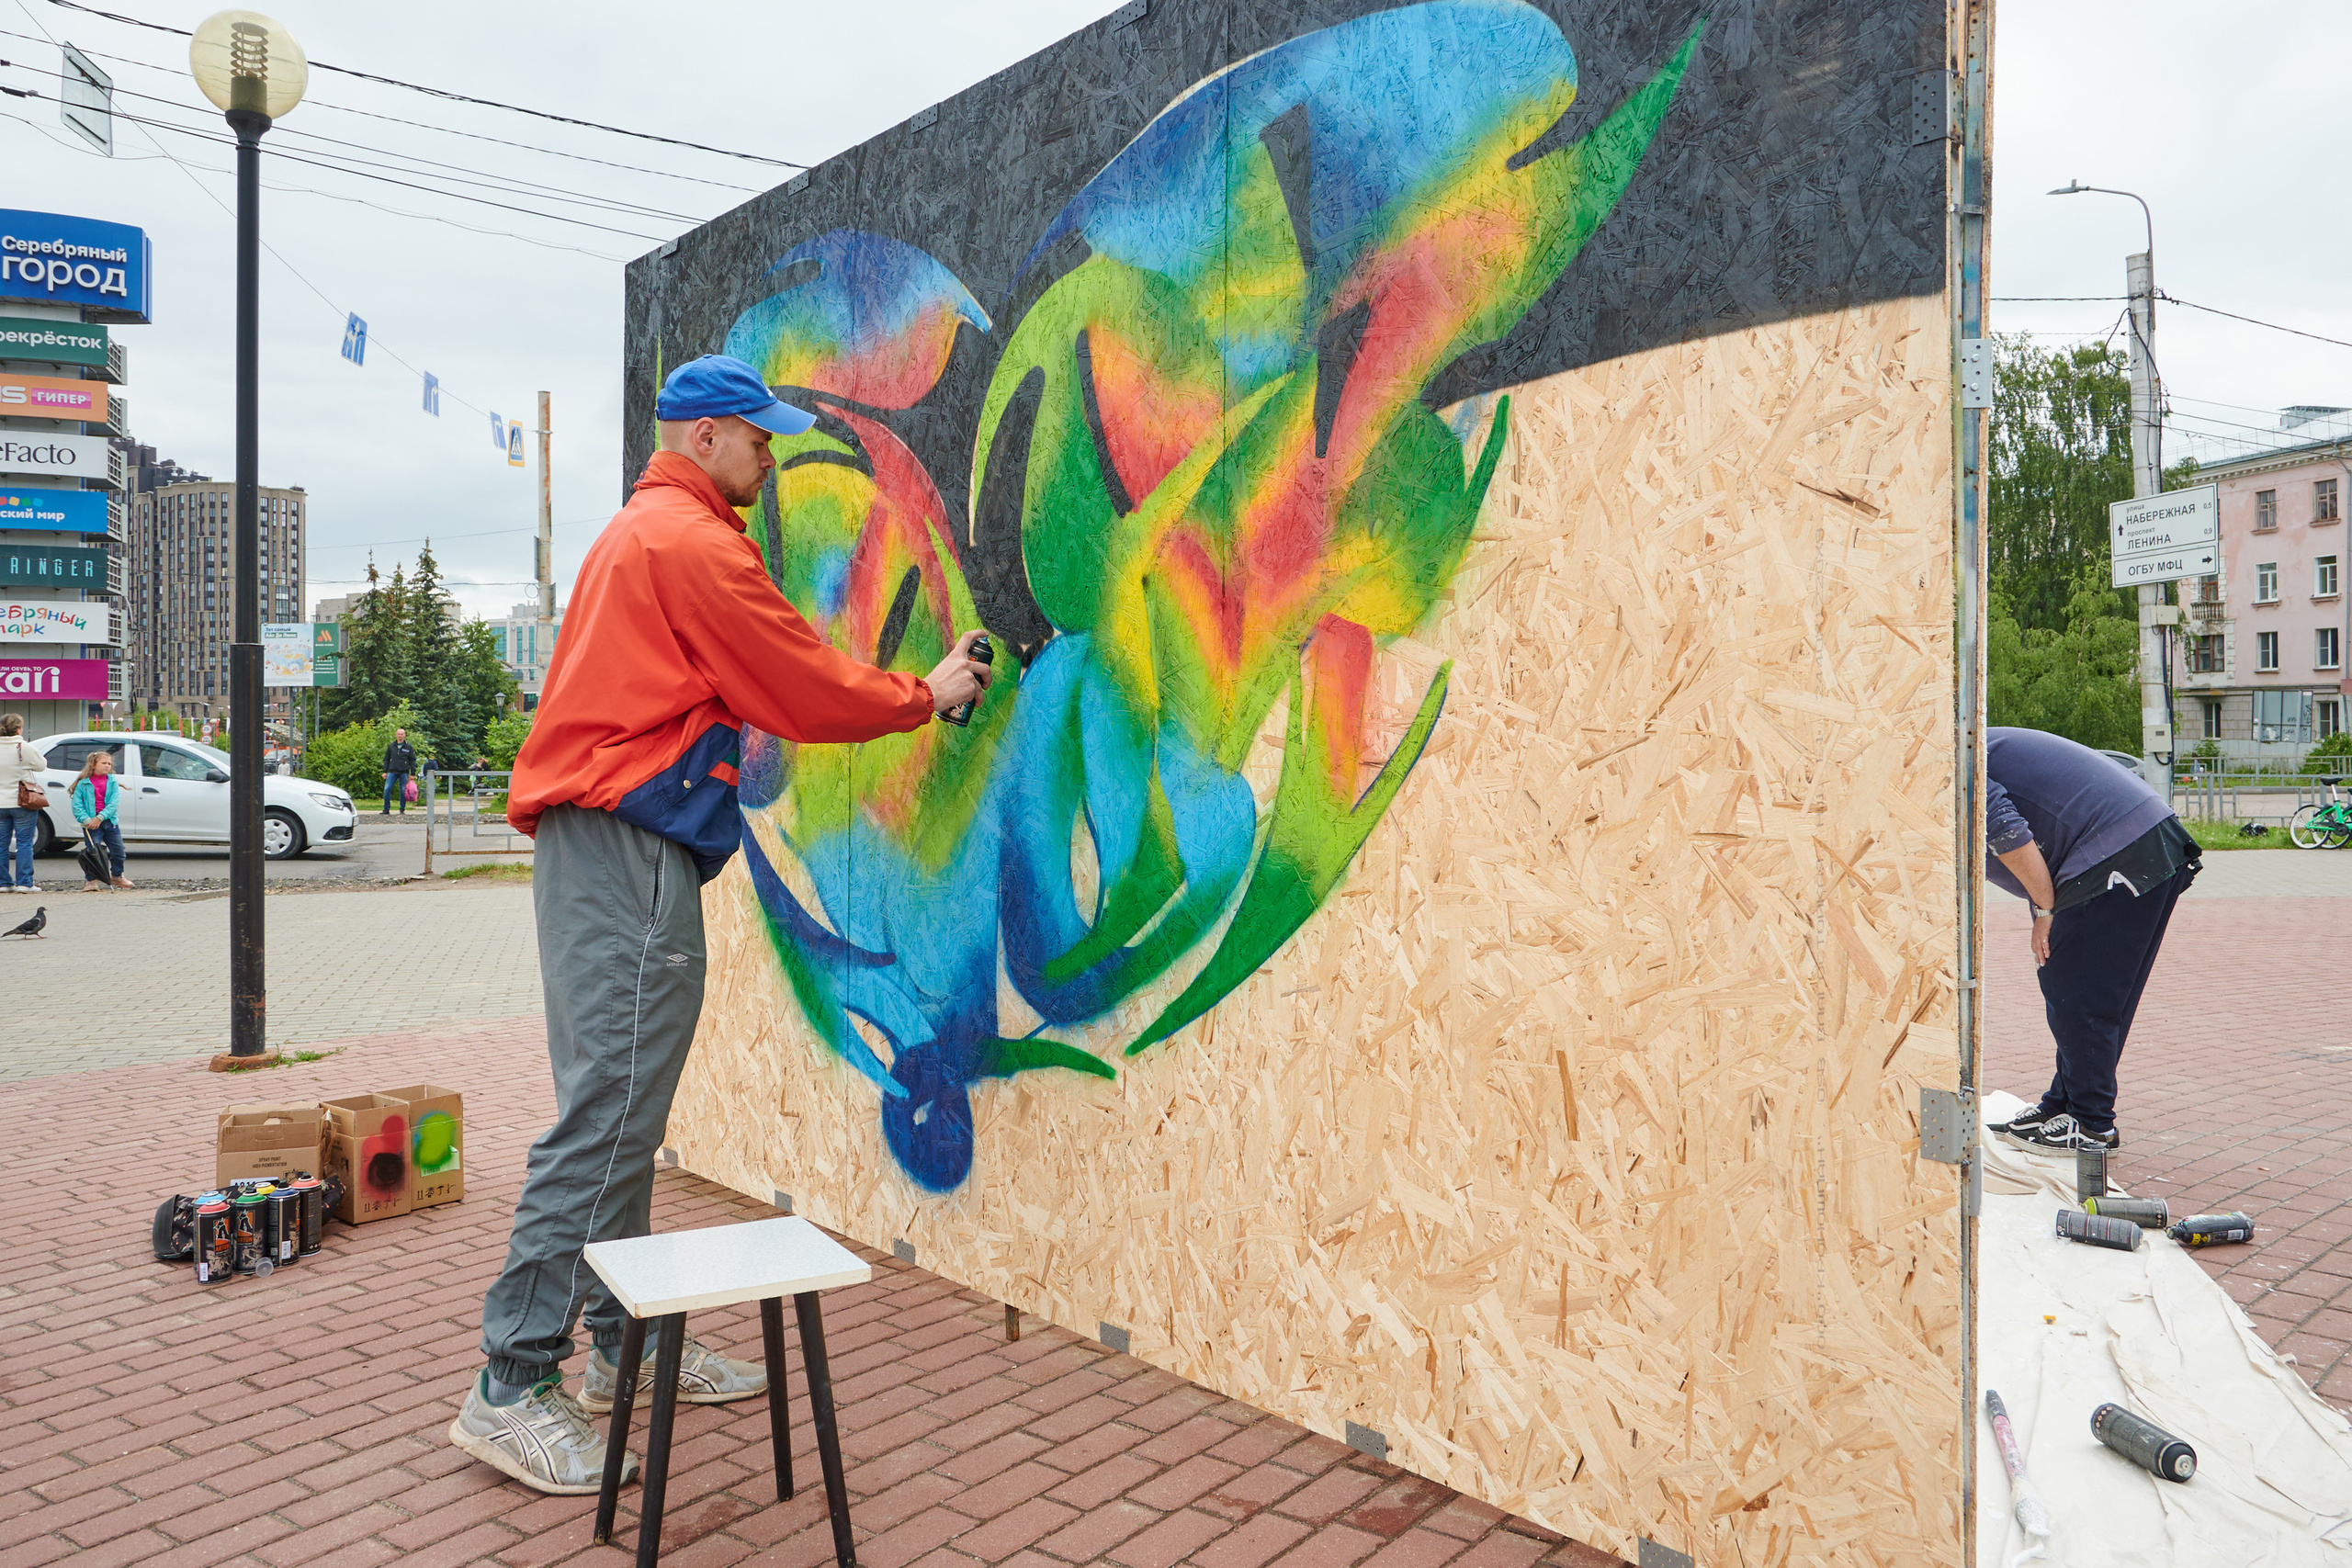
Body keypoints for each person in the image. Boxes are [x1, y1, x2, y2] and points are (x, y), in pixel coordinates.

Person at [449, 354, 992, 1495]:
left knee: (619, 1113)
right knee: (605, 1121)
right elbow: (794, 682)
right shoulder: (689, 544)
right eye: (758, 437)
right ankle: (511, 1382)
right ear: (702, 437)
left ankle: (620, 1349)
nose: (771, 454)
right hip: (624, 852)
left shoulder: (643, 533)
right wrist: (924, 696)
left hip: (603, 849)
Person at [1981, 728, 2199, 1158]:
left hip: (2117, 848)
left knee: (2078, 995)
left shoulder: (1941, 757)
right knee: (2082, 990)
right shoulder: (1965, 743)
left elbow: (2005, 829)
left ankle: (2091, 1125)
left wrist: (2045, 911)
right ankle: (2062, 1108)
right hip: (2136, 840)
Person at [70, 749, 132, 892]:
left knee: (119, 851)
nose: (107, 766)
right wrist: (86, 820)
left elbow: (113, 803)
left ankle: (117, 875)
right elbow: (77, 805)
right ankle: (91, 880)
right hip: (90, 824)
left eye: (109, 764)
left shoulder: (112, 782)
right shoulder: (83, 783)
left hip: (109, 821)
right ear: (93, 764)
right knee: (93, 852)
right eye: (104, 763)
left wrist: (100, 817)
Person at [0, 715, 47, 893]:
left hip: (0, 804)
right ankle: (25, 883)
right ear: (19, 728)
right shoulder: (23, 747)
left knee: (1, 844)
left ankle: (3, 883)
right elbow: (41, 765)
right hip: (22, 802)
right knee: (25, 843)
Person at [382, 728, 416, 816]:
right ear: (396, 735)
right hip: (392, 771)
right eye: (398, 734)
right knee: (387, 789)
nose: (400, 736)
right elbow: (386, 759)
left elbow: (412, 761)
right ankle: (386, 809)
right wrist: (384, 771)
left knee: (403, 790)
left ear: (404, 735)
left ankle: (402, 809)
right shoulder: (391, 746)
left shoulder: (408, 747)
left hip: (404, 772)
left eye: (402, 734)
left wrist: (413, 773)